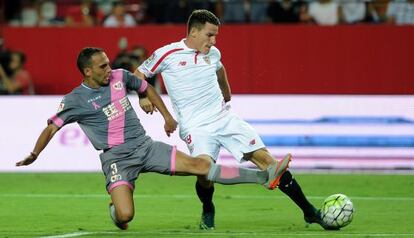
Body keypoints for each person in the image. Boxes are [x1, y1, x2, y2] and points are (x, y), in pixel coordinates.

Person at [15, 47, 291, 230]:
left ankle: (264, 175)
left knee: (201, 167)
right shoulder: (74, 100)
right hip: (116, 159)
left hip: (145, 147)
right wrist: (35, 154)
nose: (109, 69)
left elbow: (145, 86)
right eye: (102, 66)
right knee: (125, 217)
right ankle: (116, 207)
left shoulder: (120, 77)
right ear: (87, 71)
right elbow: (51, 127)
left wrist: (166, 116)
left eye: (108, 63)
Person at [135, 9, 331, 230]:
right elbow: (140, 74)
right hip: (196, 127)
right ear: (194, 32)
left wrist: (226, 92)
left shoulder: (214, 53)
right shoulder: (168, 53)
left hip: (225, 119)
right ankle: (208, 207)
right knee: (205, 173)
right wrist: (143, 97)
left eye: (216, 35)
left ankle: (309, 212)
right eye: (210, 35)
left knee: (270, 164)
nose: (214, 41)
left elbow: (220, 70)